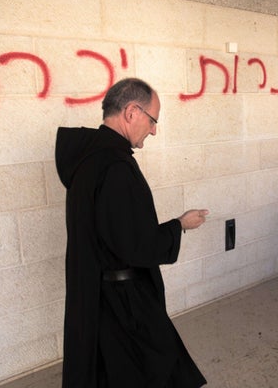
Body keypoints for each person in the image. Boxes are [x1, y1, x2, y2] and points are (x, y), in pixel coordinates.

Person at [55, 78, 209, 388]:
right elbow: (134, 246)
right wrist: (179, 225)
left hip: (99, 297)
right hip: (122, 305)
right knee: (158, 370)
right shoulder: (114, 167)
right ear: (131, 112)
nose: (153, 130)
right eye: (153, 120)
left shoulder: (89, 159)